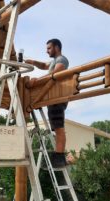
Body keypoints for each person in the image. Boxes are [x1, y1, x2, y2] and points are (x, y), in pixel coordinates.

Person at [25, 38, 69, 168]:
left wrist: (36, 81)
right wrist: (32, 61)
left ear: (57, 47)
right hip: (53, 98)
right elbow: (45, 66)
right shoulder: (54, 61)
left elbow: (54, 73)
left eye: (49, 48)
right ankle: (58, 157)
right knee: (56, 128)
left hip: (58, 98)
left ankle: (59, 159)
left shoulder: (62, 60)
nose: (47, 51)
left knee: (59, 128)